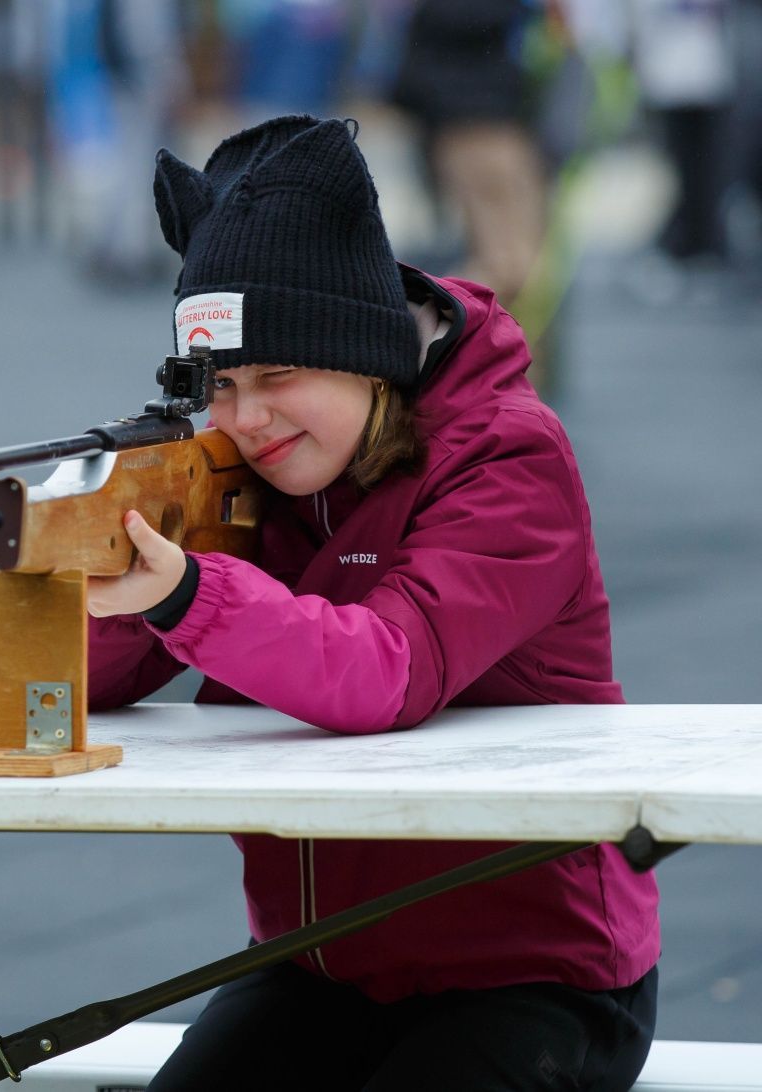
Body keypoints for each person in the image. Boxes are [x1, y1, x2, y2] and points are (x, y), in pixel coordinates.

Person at [85, 115, 659, 1091]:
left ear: (366, 353)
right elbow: (97, 690)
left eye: (278, 376)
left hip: (539, 973)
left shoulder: (511, 455)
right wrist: (93, 562)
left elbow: (386, 668)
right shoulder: (250, 472)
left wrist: (184, 590)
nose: (246, 419)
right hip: (327, 964)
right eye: (218, 385)